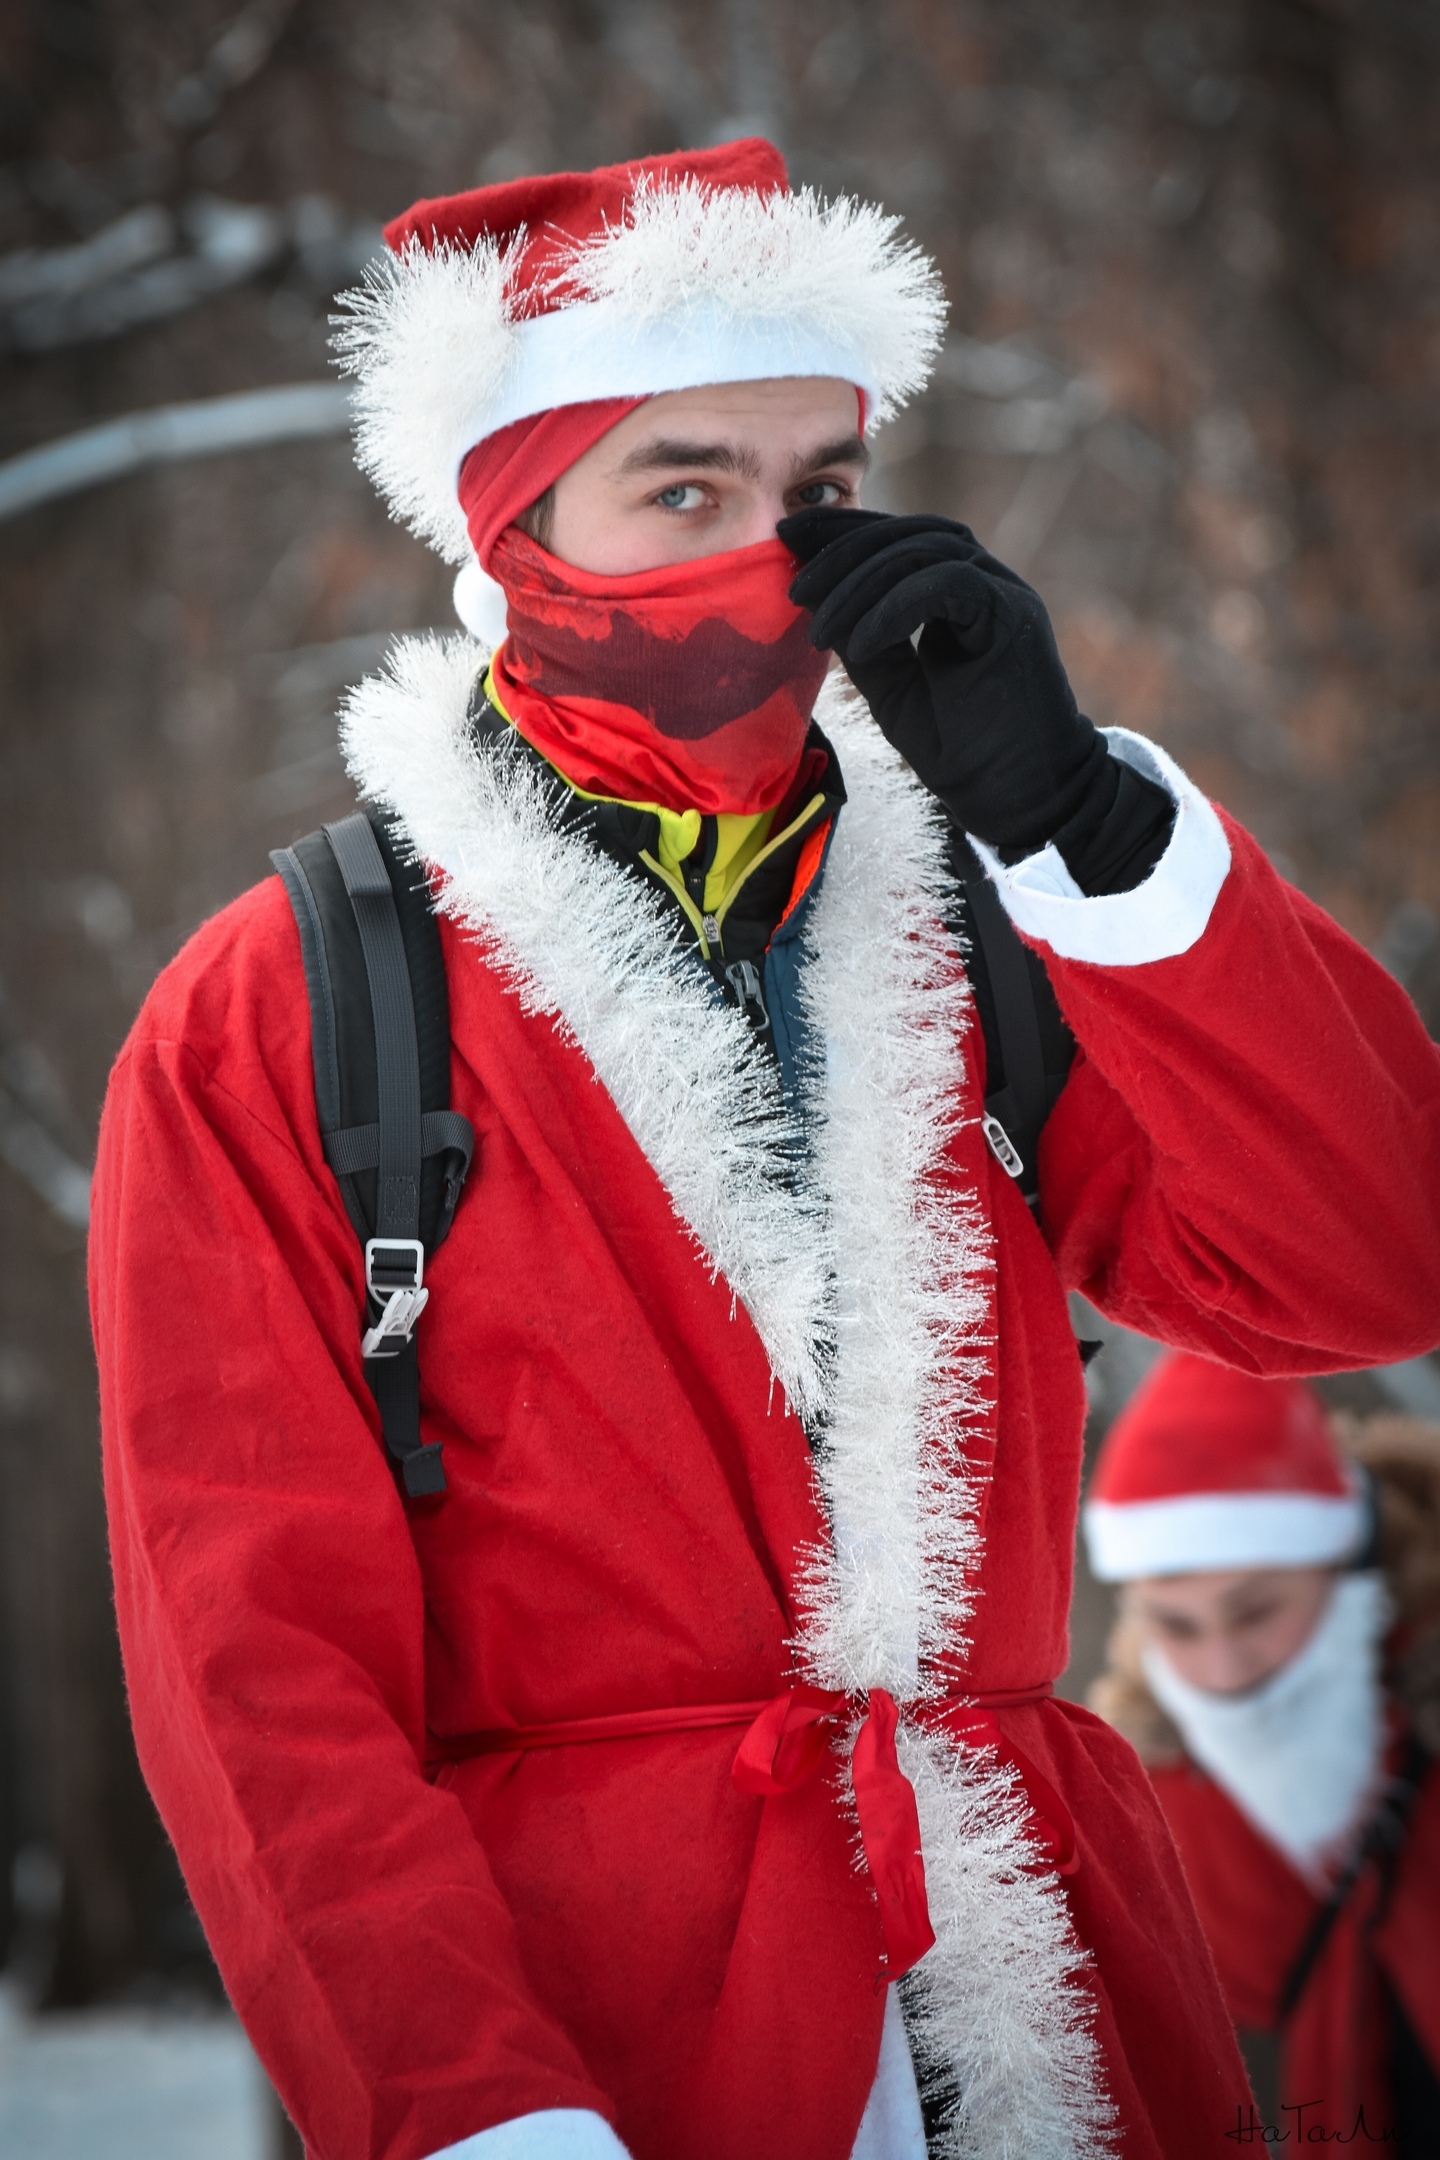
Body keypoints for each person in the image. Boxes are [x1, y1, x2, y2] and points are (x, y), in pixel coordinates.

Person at [88, 137, 1440, 2160]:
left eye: (819, 493)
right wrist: (475, 2109)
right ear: (513, 539)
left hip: (1046, 1989)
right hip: (607, 2026)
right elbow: (255, 1675)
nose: (775, 555)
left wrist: (1088, 831)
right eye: (686, 490)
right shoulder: (278, 1003)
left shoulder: (995, 912)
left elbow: (1362, 1266)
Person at [1085, 1353, 1440, 2149]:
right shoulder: (1161, 1797)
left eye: (1256, 1612)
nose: (1224, 1669)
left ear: (1345, 1566)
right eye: (1176, 1626)